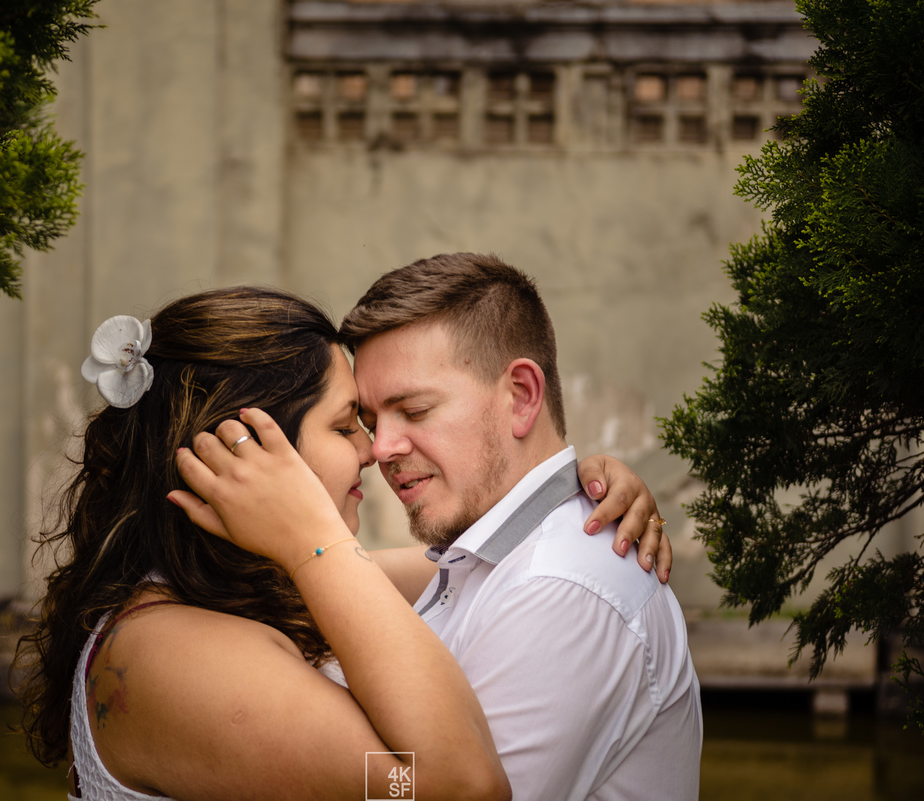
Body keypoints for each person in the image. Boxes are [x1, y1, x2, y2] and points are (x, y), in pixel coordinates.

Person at [18, 286, 666, 801]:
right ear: (246, 454)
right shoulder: (168, 652)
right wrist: (311, 536)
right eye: (346, 423)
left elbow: (484, 565)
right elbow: (445, 785)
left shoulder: (237, 595)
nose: (373, 449)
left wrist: (573, 486)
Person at [178, 255, 702, 801]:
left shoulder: (560, 588)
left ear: (521, 397)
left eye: (415, 410)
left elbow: (449, 788)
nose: (380, 449)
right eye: (370, 421)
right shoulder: (487, 558)